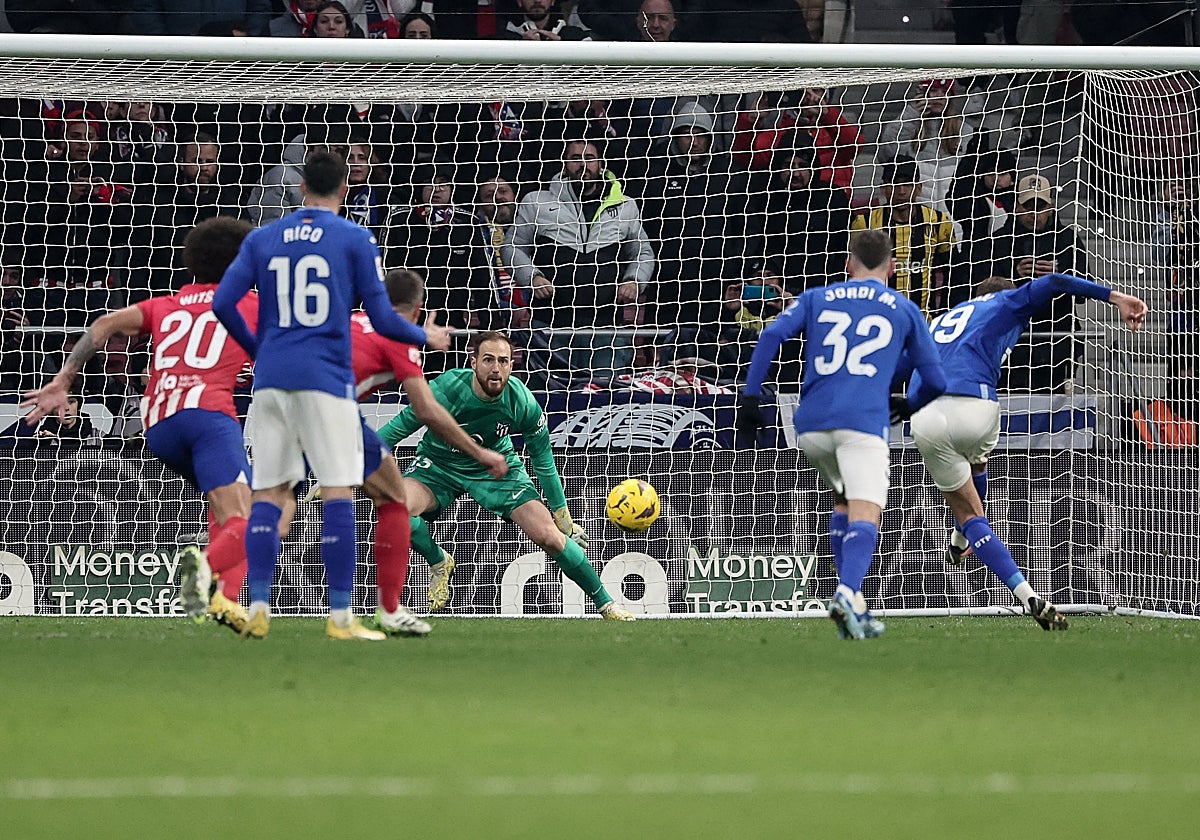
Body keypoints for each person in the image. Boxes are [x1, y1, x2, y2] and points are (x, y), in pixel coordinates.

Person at [211, 150, 451, 641]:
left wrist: (258, 347)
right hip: (325, 380)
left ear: (301, 188)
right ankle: (341, 617)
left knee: (270, 494)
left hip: (270, 381)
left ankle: (257, 607)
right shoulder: (354, 237)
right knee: (339, 490)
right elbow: (383, 317)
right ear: (345, 188)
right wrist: (427, 337)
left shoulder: (262, 237)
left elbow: (223, 303)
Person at [21, 217, 259, 633]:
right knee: (253, 518)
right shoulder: (250, 303)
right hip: (208, 417)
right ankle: (203, 569)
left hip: (159, 424)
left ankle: (227, 601)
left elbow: (103, 325)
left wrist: (62, 380)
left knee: (225, 506)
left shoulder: (165, 305)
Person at [904, 272, 1148, 628]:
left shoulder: (941, 319)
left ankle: (980, 558)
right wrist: (1116, 297)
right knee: (977, 471)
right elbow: (1054, 281)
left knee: (968, 509)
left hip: (924, 413)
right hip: (974, 403)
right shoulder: (1006, 301)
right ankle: (977, 551)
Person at [736, 229, 947, 640]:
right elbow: (937, 379)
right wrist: (909, 404)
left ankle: (855, 610)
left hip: (810, 426)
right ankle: (846, 595)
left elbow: (771, 334)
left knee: (843, 501)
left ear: (849, 263)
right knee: (867, 512)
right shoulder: (904, 308)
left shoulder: (817, 297)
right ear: (891, 267)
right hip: (861, 423)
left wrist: (749, 396)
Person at [377, 331, 636, 621]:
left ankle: (606, 604)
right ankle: (439, 561)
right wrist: (358, 462)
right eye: (488, 360)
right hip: (439, 465)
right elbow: (399, 427)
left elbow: (542, 459)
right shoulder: (446, 389)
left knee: (549, 536)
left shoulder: (522, 401)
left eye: (503, 361)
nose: (496, 368)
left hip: (496, 468)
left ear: (512, 365)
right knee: (395, 508)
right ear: (473, 362)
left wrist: (562, 514)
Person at [306, 268, 509, 635]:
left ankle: (245, 596)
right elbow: (426, 411)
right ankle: (378, 611)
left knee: (274, 503)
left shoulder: (354, 319)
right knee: (390, 501)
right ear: (418, 309)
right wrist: (481, 454)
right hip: (331, 413)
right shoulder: (401, 339)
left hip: (283, 399)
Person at [509, 138, 655, 382]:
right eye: (576, 158)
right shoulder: (536, 202)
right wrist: (532, 277)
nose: (583, 164)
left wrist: (634, 280)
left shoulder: (625, 205)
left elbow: (643, 252)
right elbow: (512, 247)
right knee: (548, 396)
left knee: (606, 398)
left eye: (589, 158)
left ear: (601, 163)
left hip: (606, 328)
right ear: (564, 163)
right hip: (551, 326)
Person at [851, 157, 959, 318]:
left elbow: (953, 272)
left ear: (918, 188)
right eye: (895, 184)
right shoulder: (865, 224)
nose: (901, 191)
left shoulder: (938, 222)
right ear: (884, 188)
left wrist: (944, 313)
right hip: (878, 319)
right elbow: (853, 273)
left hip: (923, 320)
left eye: (907, 184)